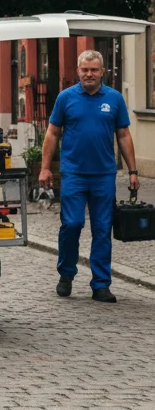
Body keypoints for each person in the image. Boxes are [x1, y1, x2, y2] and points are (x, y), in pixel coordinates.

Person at [39, 49, 138, 303]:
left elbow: (124, 135)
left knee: (103, 229)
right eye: (85, 70)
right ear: (78, 71)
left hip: (104, 175)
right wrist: (45, 167)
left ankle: (101, 284)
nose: (89, 74)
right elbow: (52, 133)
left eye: (94, 70)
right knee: (71, 225)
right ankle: (66, 274)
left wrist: (133, 171)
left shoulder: (114, 99)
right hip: (73, 174)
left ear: (102, 72)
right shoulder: (66, 98)